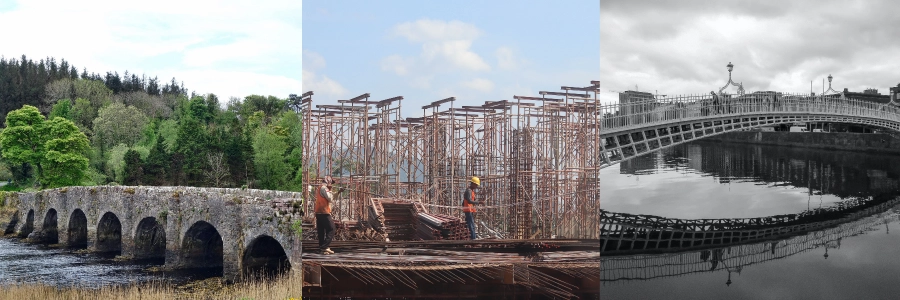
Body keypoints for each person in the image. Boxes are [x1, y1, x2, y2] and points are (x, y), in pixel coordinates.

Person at [314, 176, 343, 254]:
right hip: (324, 212)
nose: (332, 185)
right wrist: (330, 189)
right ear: (328, 181)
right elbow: (330, 198)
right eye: (331, 183)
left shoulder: (322, 188)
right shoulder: (324, 188)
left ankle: (321, 248)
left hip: (319, 212)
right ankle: (324, 247)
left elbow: (331, 197)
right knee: (332, 229)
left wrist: (339, 192)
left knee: (321, 231)